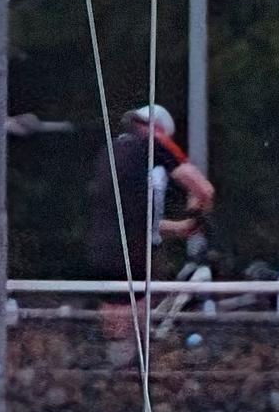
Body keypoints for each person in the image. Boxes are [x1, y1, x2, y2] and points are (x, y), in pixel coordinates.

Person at [91, 103, 215, 293]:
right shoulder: (155, 142)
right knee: (140, 303)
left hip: (104, 245)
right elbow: (204, 190)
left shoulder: (111, 151)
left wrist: (181, 227)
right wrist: (199, 215)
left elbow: (137, 219)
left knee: (117, 305)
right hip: (138, 251)